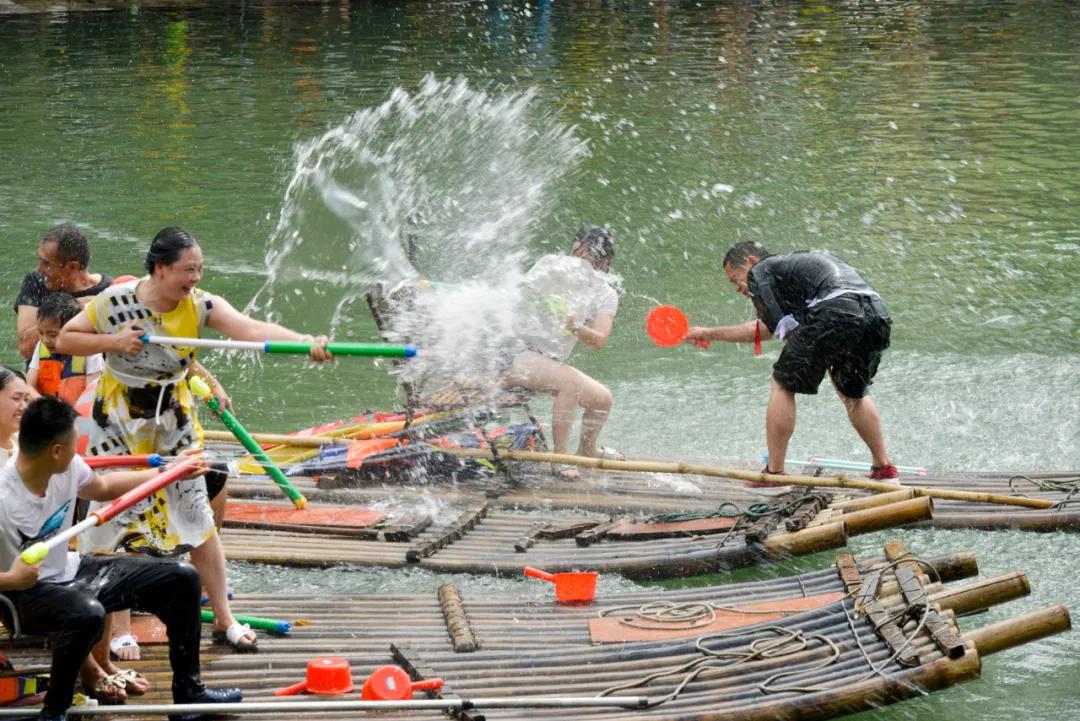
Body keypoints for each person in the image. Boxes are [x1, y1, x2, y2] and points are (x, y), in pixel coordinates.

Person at [57, 226, 331, 657]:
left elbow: (251, 329)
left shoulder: (202, 305)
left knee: (197, 518)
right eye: (188, 270)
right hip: (120, 423)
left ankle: (225, 620)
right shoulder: (114, 302)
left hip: (176, 422)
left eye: (200, 269)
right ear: (161, 269)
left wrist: (305, 343)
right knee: (114, 520)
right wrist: (113, 341)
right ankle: (120, 627)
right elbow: (66, 338)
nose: (195, 278)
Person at [0, 397, 243, 721]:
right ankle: (54, 712)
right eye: (75, 443)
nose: (79, 450)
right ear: (55, 450)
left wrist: (169, 473)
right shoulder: (4, 496)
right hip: (22, 595)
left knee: (181, 577)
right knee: (88, 614)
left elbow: (102, 486)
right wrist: (13, 579)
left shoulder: (67, 465)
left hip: (70, 573)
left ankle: (189, 693)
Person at [684, 241, 898, 481]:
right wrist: (710, 333)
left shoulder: (761, 271)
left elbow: (785, 328)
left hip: (837, 310)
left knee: (782, 384)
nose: (737, 288)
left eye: (735, 279)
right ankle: (884, 468)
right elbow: (768, 328)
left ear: (752, 261)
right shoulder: (794, 274)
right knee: (852, 394)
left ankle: (774, 473)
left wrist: (801, 350)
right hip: (876, 315)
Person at [501, 225, 621, 479]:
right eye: (579, 250)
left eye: (591, 255)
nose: (582, 258)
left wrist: (576, 327)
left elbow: (598, 341)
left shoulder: (606, 294)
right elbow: (518, 294)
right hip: (516, 355)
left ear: (605, 261)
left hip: (548, 362)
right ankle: (560, 457)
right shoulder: (552, 266)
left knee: (602, 400)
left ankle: (588, 450)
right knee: (571, 385)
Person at [13, 224, 113, 362]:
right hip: (41, 378)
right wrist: (74, 308)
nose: (39, 269)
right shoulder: (36, 282)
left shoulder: (110, 292)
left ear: (73, 266)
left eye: (46, 264)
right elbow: (26, 348)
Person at [27, 293, 104, 405]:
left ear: (73, 330)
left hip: (78, 415)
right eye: (40, 332)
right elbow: (29, 386)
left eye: (52, 335)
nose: (45, 340)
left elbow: (92, 394)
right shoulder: (42, 346)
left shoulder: (89, 351)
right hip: (46, 413)